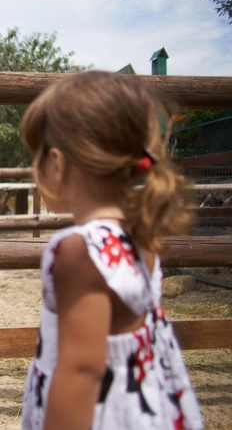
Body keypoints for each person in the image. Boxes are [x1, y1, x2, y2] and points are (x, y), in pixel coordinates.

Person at [19, 71, 203, 430]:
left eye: (35, 157)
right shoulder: (139, 235)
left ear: (56, 164)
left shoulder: (80, 251)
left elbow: (81, 371)